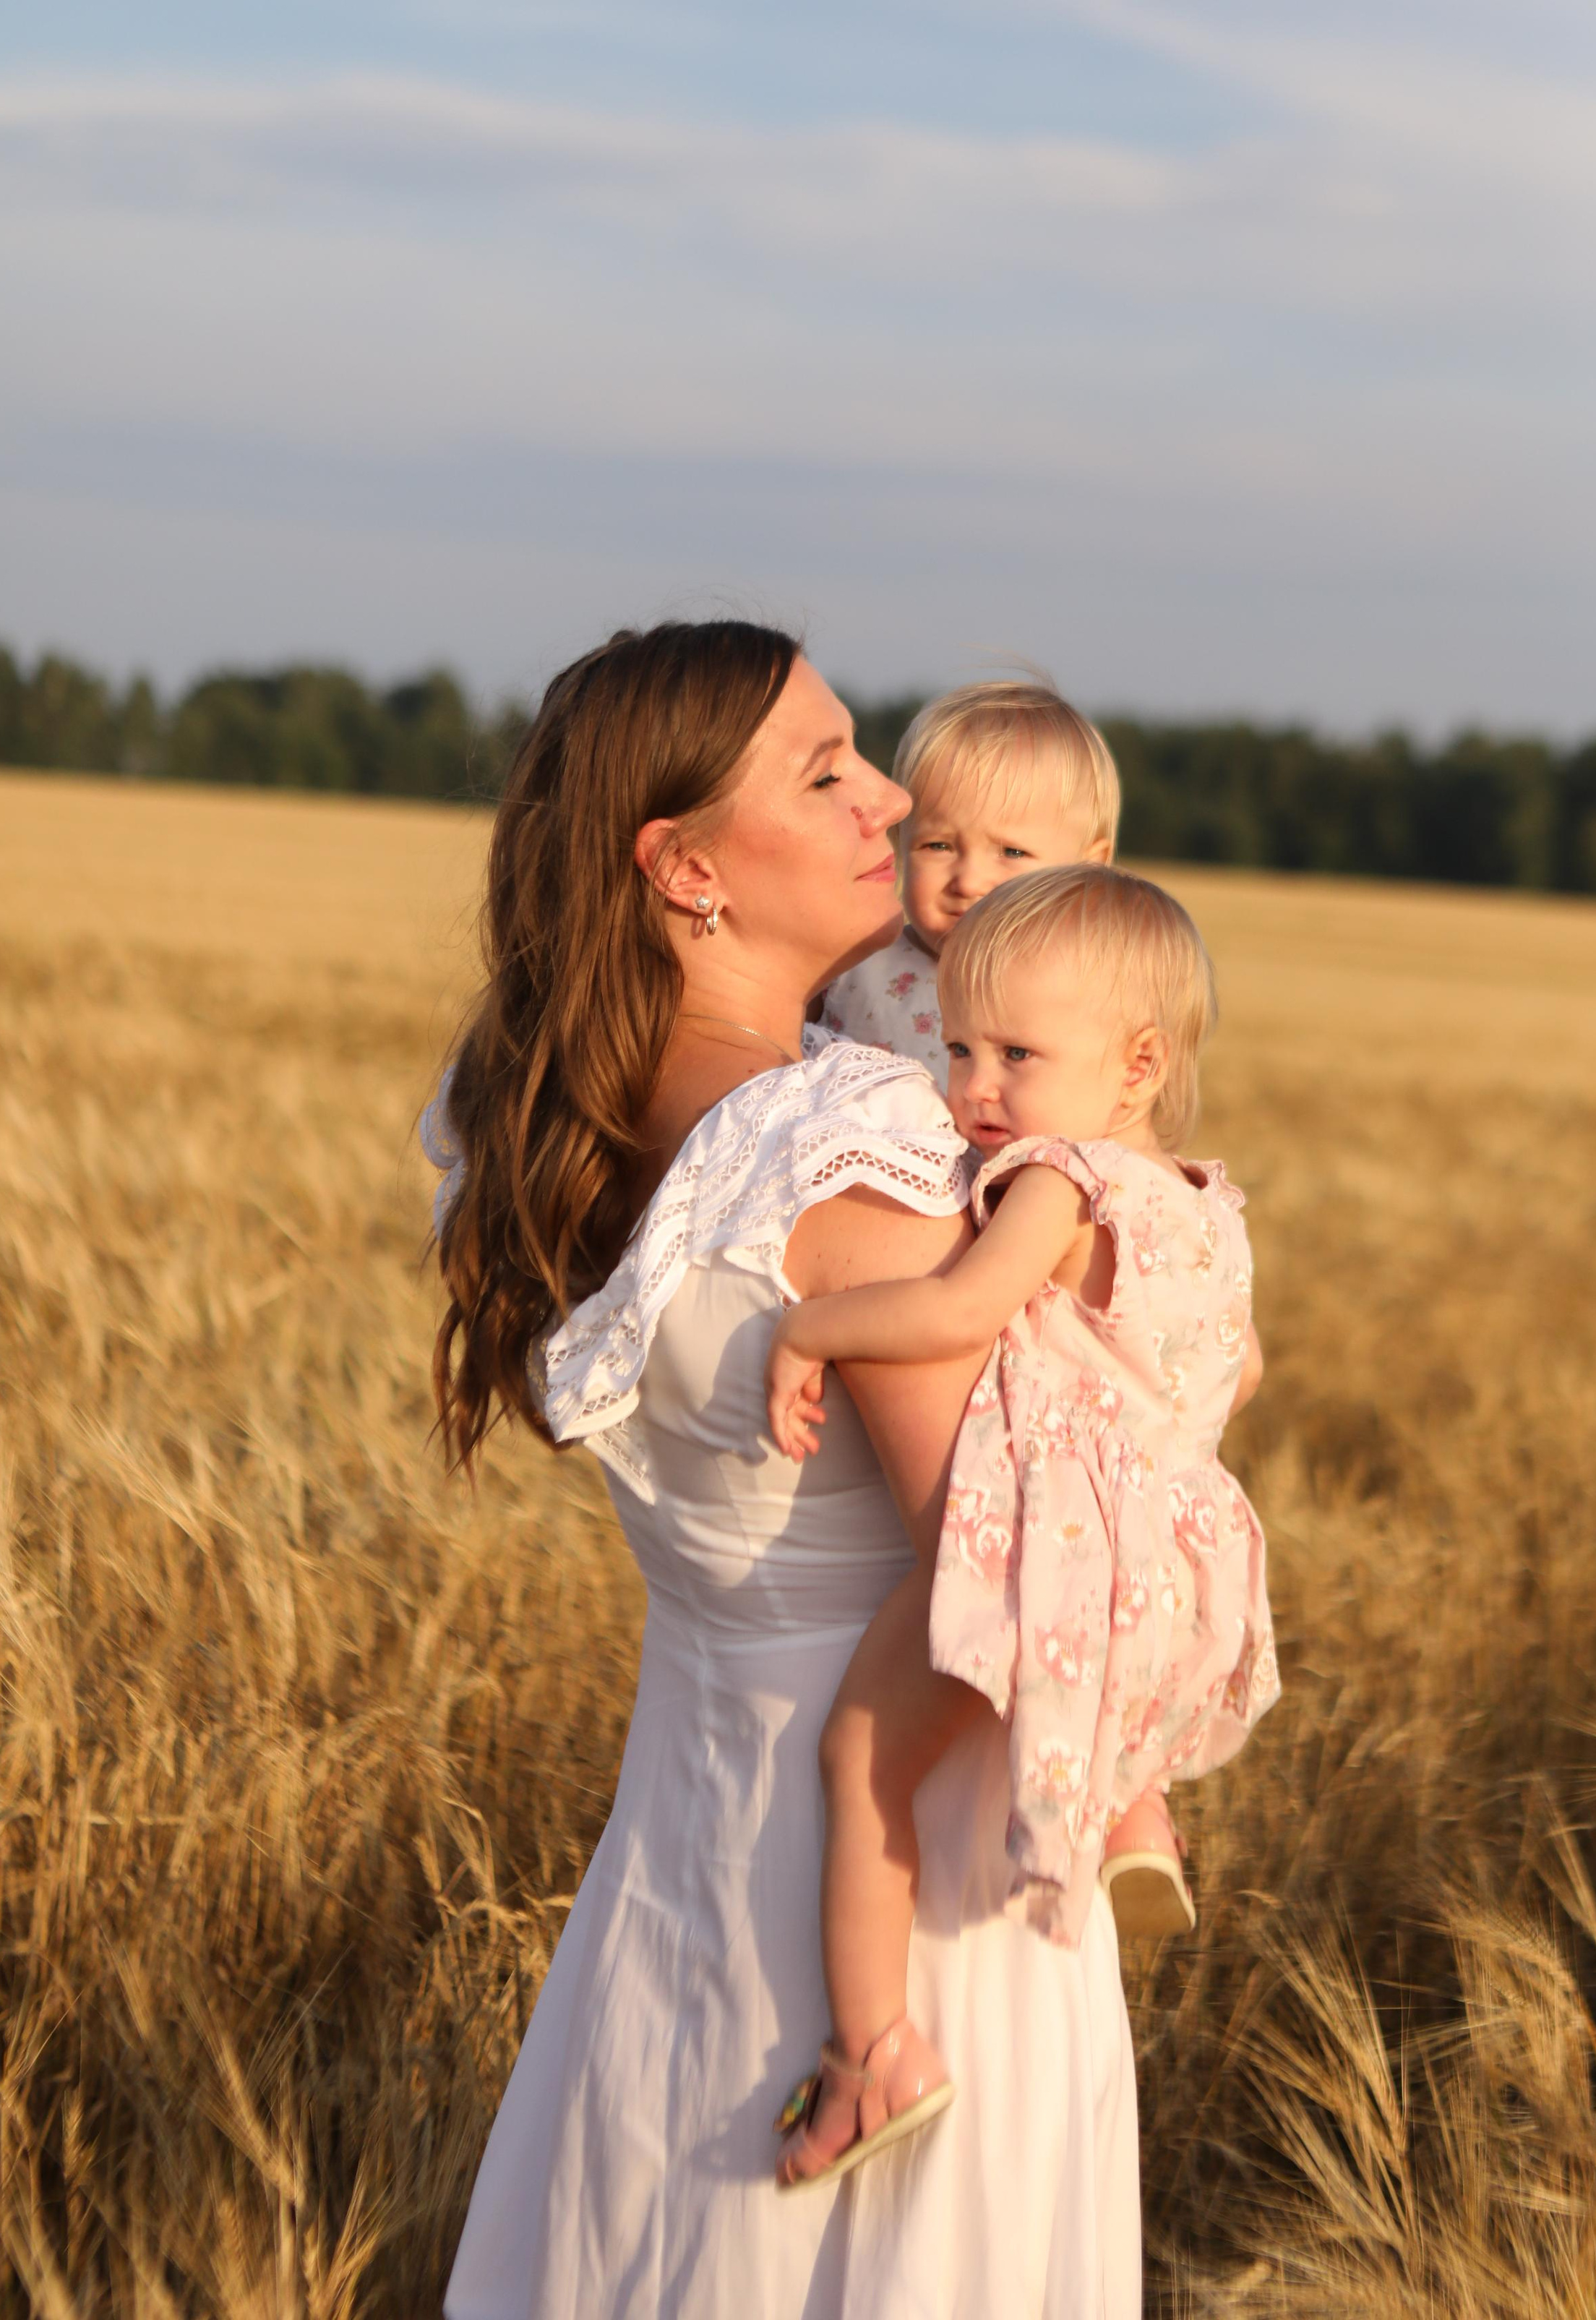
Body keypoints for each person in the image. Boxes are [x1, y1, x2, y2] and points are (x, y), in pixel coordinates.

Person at [430, 623, 1141, 2320]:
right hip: (922, 1882)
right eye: (825, 773)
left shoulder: (533, 1109)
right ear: (684, 869)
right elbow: (1010, 1560)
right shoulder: (849, 1143)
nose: (888, 799)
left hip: (683, 1843)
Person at [767, 864, 1279, 2187]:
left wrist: (811, 1326)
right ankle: (1130, 1813)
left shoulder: (1060, 1177)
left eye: (1017, 1056)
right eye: (957, 1049)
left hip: (1053, 1550)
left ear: (1136, 1066)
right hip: (1183, 1556)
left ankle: (871, 2060)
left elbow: (954, 1311)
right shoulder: (1206, 1206)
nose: (973, 1088)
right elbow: (1242, 1375)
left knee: (861, 1757)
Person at [820, 679, 1120, 1090]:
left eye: (1012, 852)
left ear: (1089, 871)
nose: (969, 881)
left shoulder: (1089, 997)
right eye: (938, 845)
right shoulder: (851, 966)